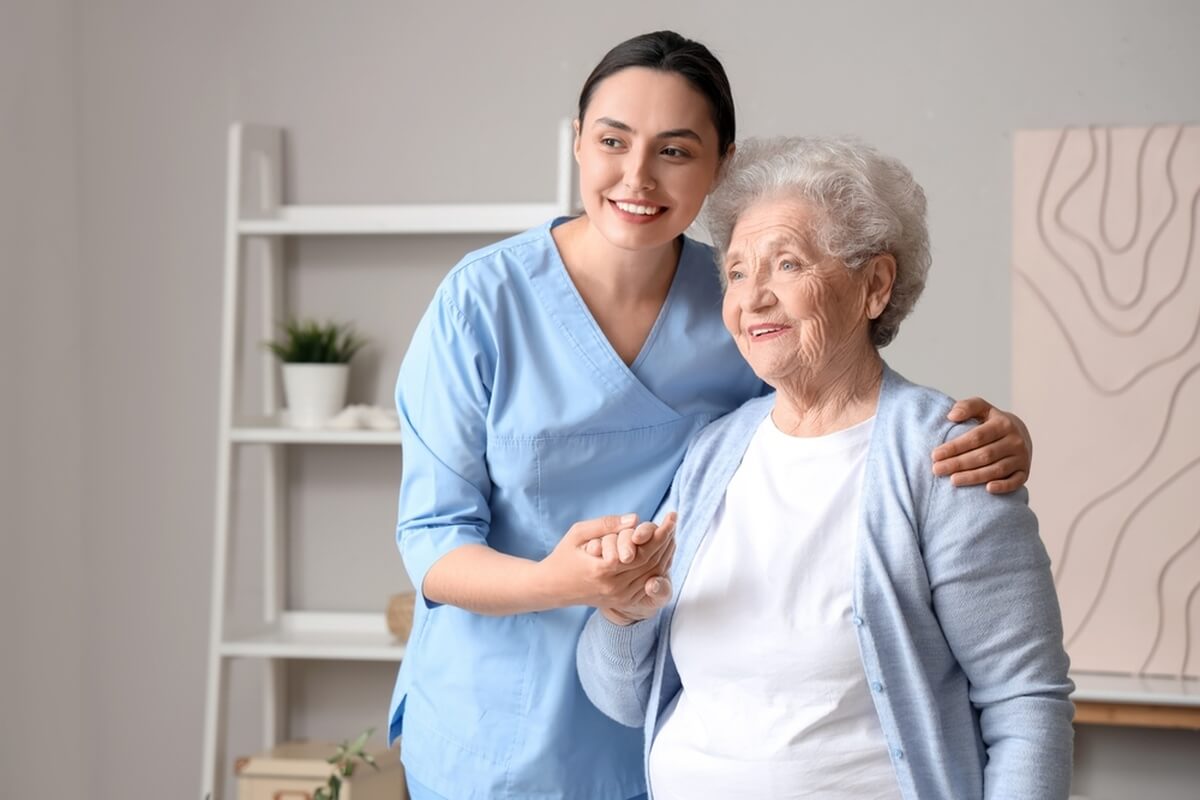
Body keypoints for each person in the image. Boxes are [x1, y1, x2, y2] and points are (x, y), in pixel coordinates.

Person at [389, 32, 1035, 800]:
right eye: (611, 141)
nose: (637, 176)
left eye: (675, 150)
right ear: (577, 142)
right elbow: (432, 543)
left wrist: (986, 437)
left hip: (670, 715)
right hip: (498, 722)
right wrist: (559, 582)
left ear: (721, 165)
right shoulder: (482, 303)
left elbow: (837, 415)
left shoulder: (737, 298)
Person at [576, 136, 1074, 800]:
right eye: (737, 271)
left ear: (874, 286)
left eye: (787, 264)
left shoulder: (950, 455)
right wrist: (622, 614)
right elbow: (625, 702)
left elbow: (1027, 702)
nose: (752, 298)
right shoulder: (714, 453)